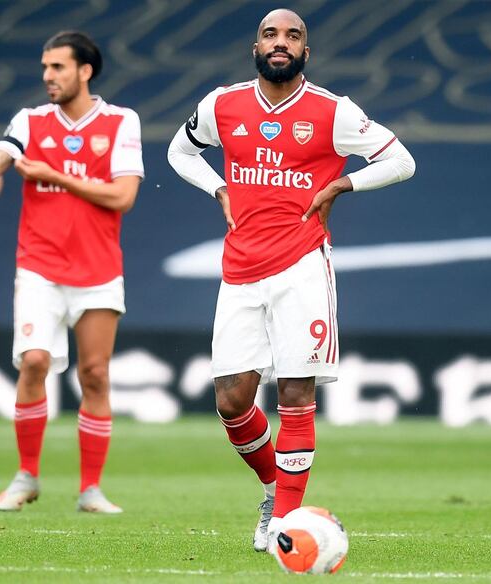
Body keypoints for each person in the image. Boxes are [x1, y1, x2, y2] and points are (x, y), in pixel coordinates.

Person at [167, 8, 415, 552]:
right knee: (232, 400)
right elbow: (179, 151)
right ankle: (274, 488)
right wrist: (217, 188)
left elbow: (401, 161)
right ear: (255, 47)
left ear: (307, 51)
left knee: (296, 392)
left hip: (303, 265)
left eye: (293, 36)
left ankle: (285, 521)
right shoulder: (222, 105)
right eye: (270, 35)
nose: (281, 43)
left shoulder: (333, 112)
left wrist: (342, 185)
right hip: (239, 268)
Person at [0, 31, 143, 513]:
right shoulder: (29, 122)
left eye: (58, 67)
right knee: (33, 362)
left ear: (85, 71)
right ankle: (27, 475)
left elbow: (123, 196)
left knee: (94, 374)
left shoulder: (120, 121)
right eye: (45, 67)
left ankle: (90, 489)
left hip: (98, 269)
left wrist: (55, 176)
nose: (48, 76)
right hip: (39, 267)